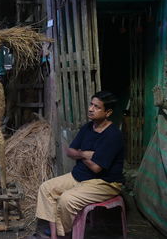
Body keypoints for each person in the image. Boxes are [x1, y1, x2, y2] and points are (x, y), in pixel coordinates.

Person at [35, 91, 124, 238]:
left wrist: (80, 153)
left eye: (97, 107)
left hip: (105, 182)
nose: (91, 109)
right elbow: (69, 151)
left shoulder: (113, 135)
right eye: (91, 104)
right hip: (80, 175)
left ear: (108, 112)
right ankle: (54, 236)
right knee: (46, 188)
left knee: (67, 199)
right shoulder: (88, 127)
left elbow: (96, 168)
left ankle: (63, 232)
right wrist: (85, 154)